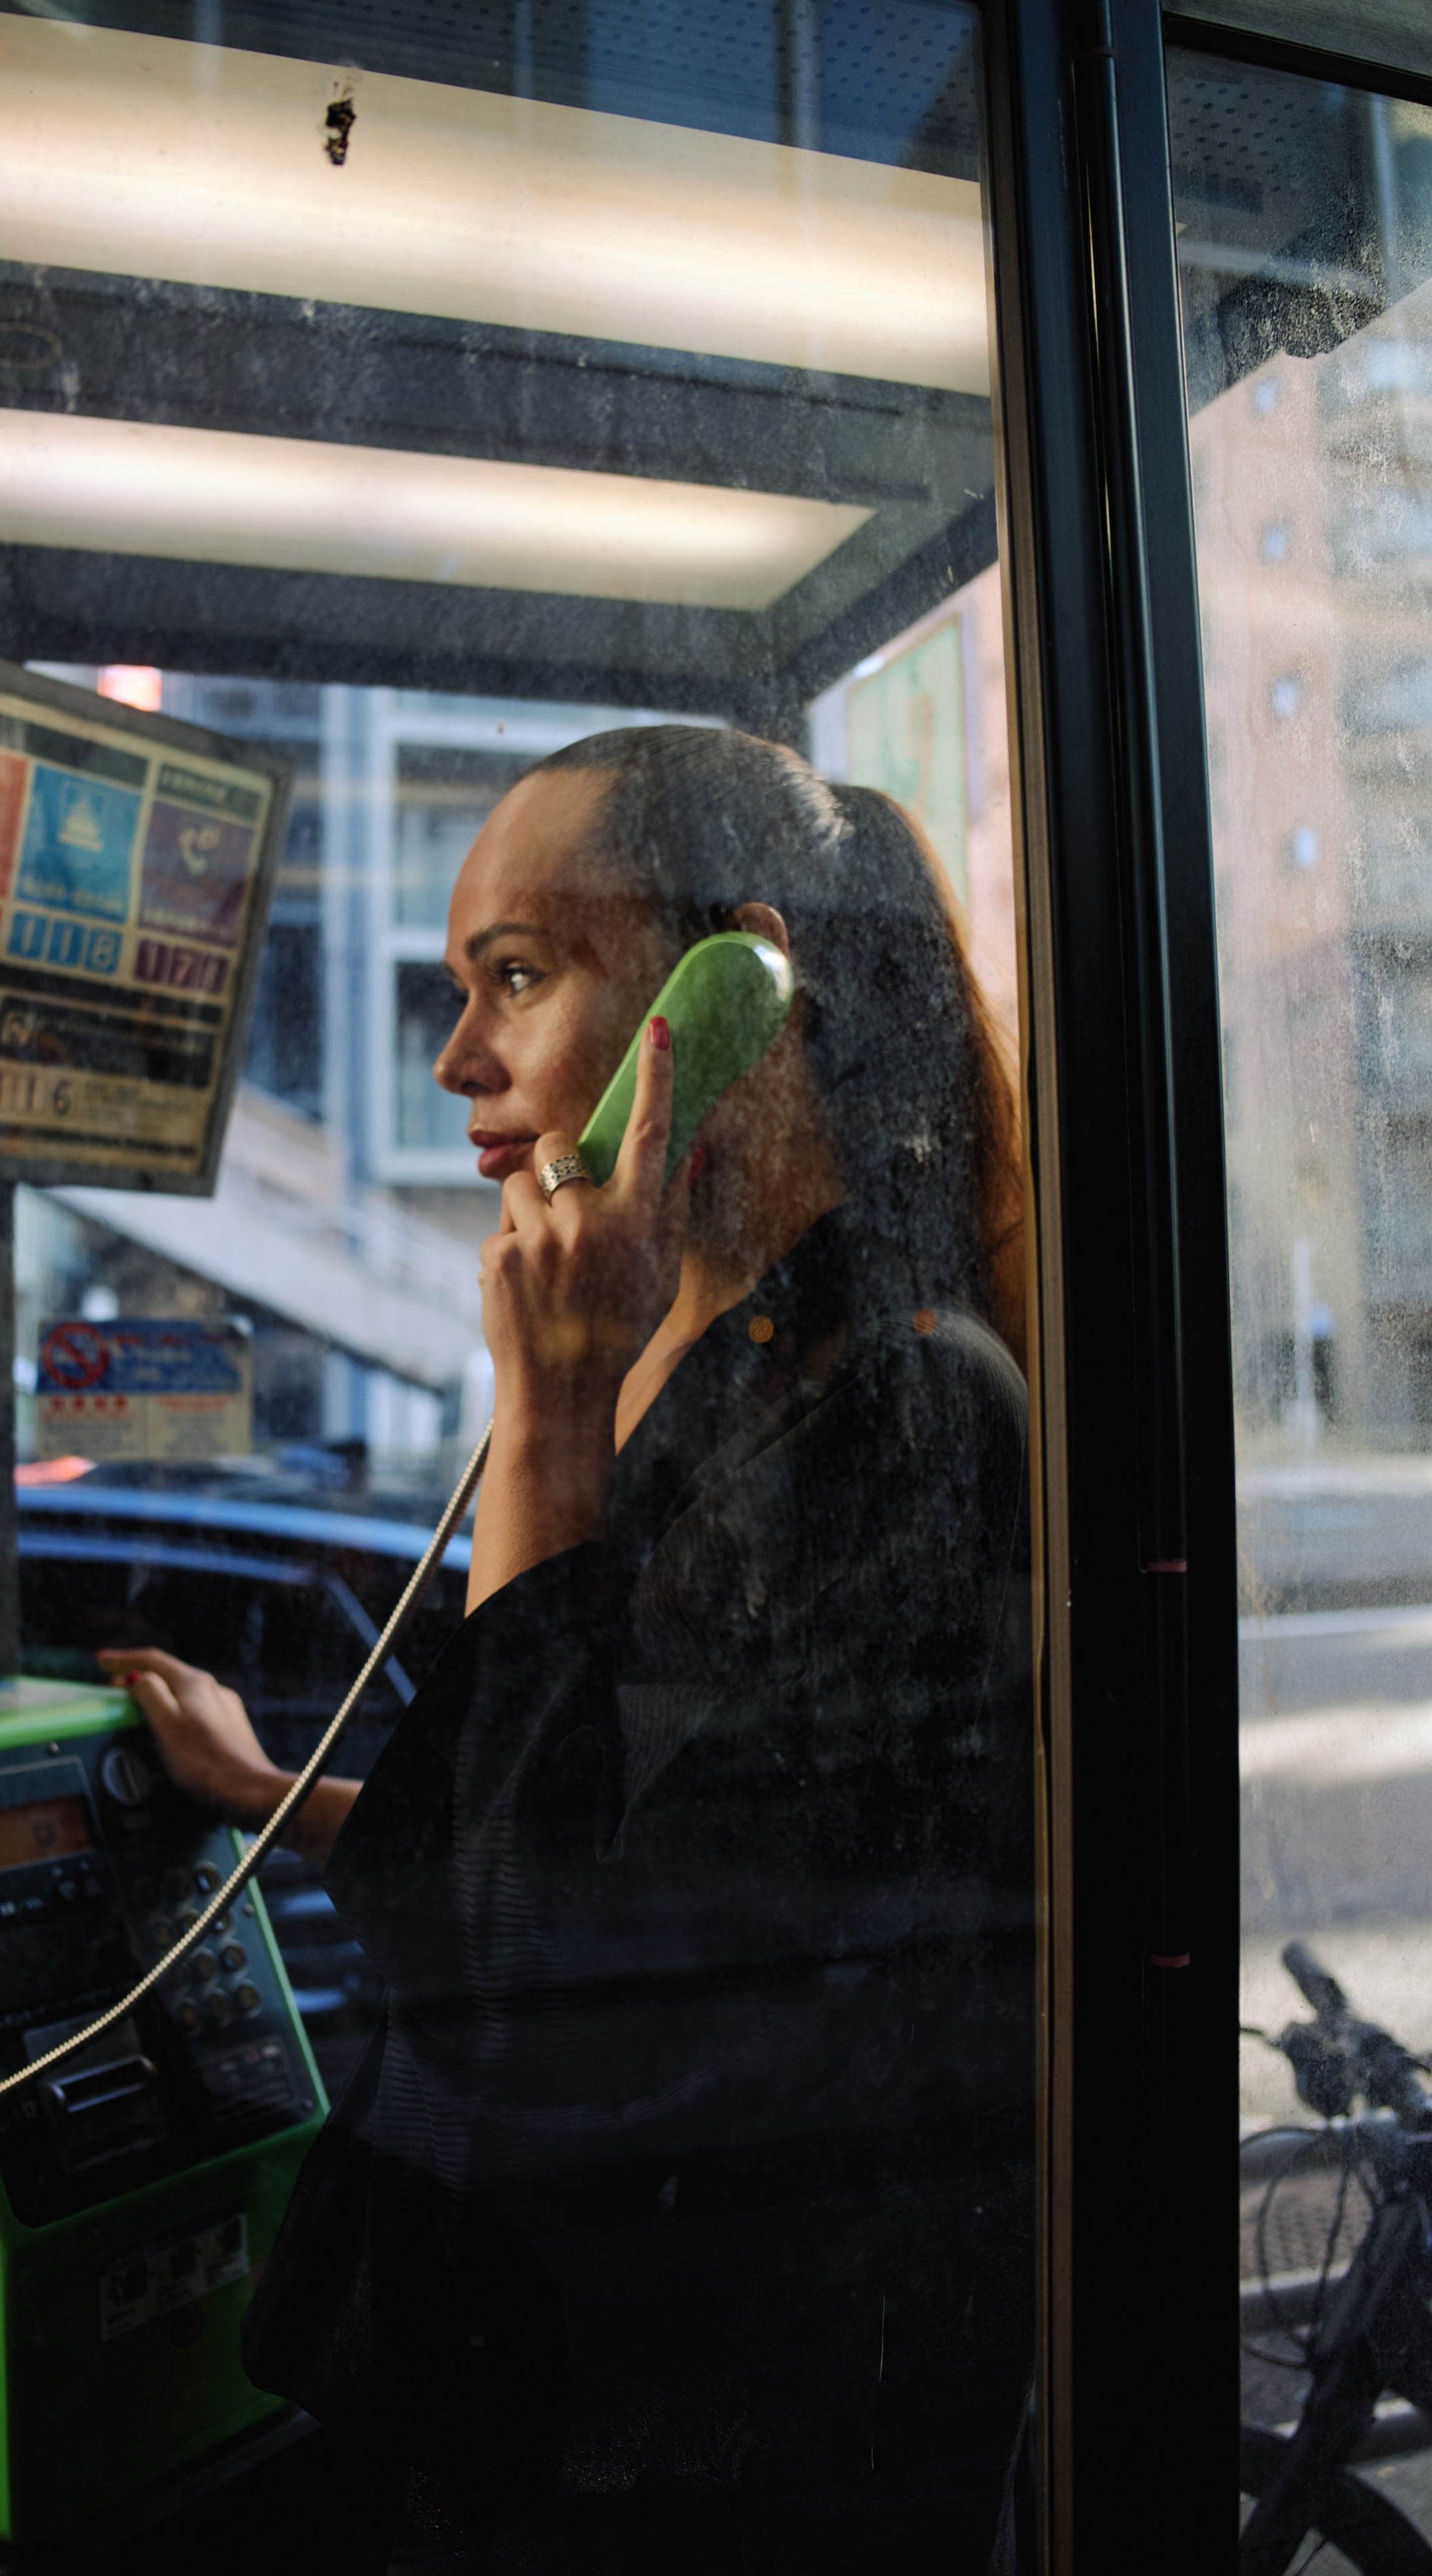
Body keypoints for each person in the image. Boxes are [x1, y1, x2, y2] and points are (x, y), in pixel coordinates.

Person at [101, 726, 1035, 2572]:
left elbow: (544, 1998)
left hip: (695, 2474)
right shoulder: (708, 1376)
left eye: (515, 979)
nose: (454, 1059)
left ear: (735, 990)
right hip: (539, 2404)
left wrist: (542, 1432)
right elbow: (597, 1852)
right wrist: (270, 1792)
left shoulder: (905, 1408)